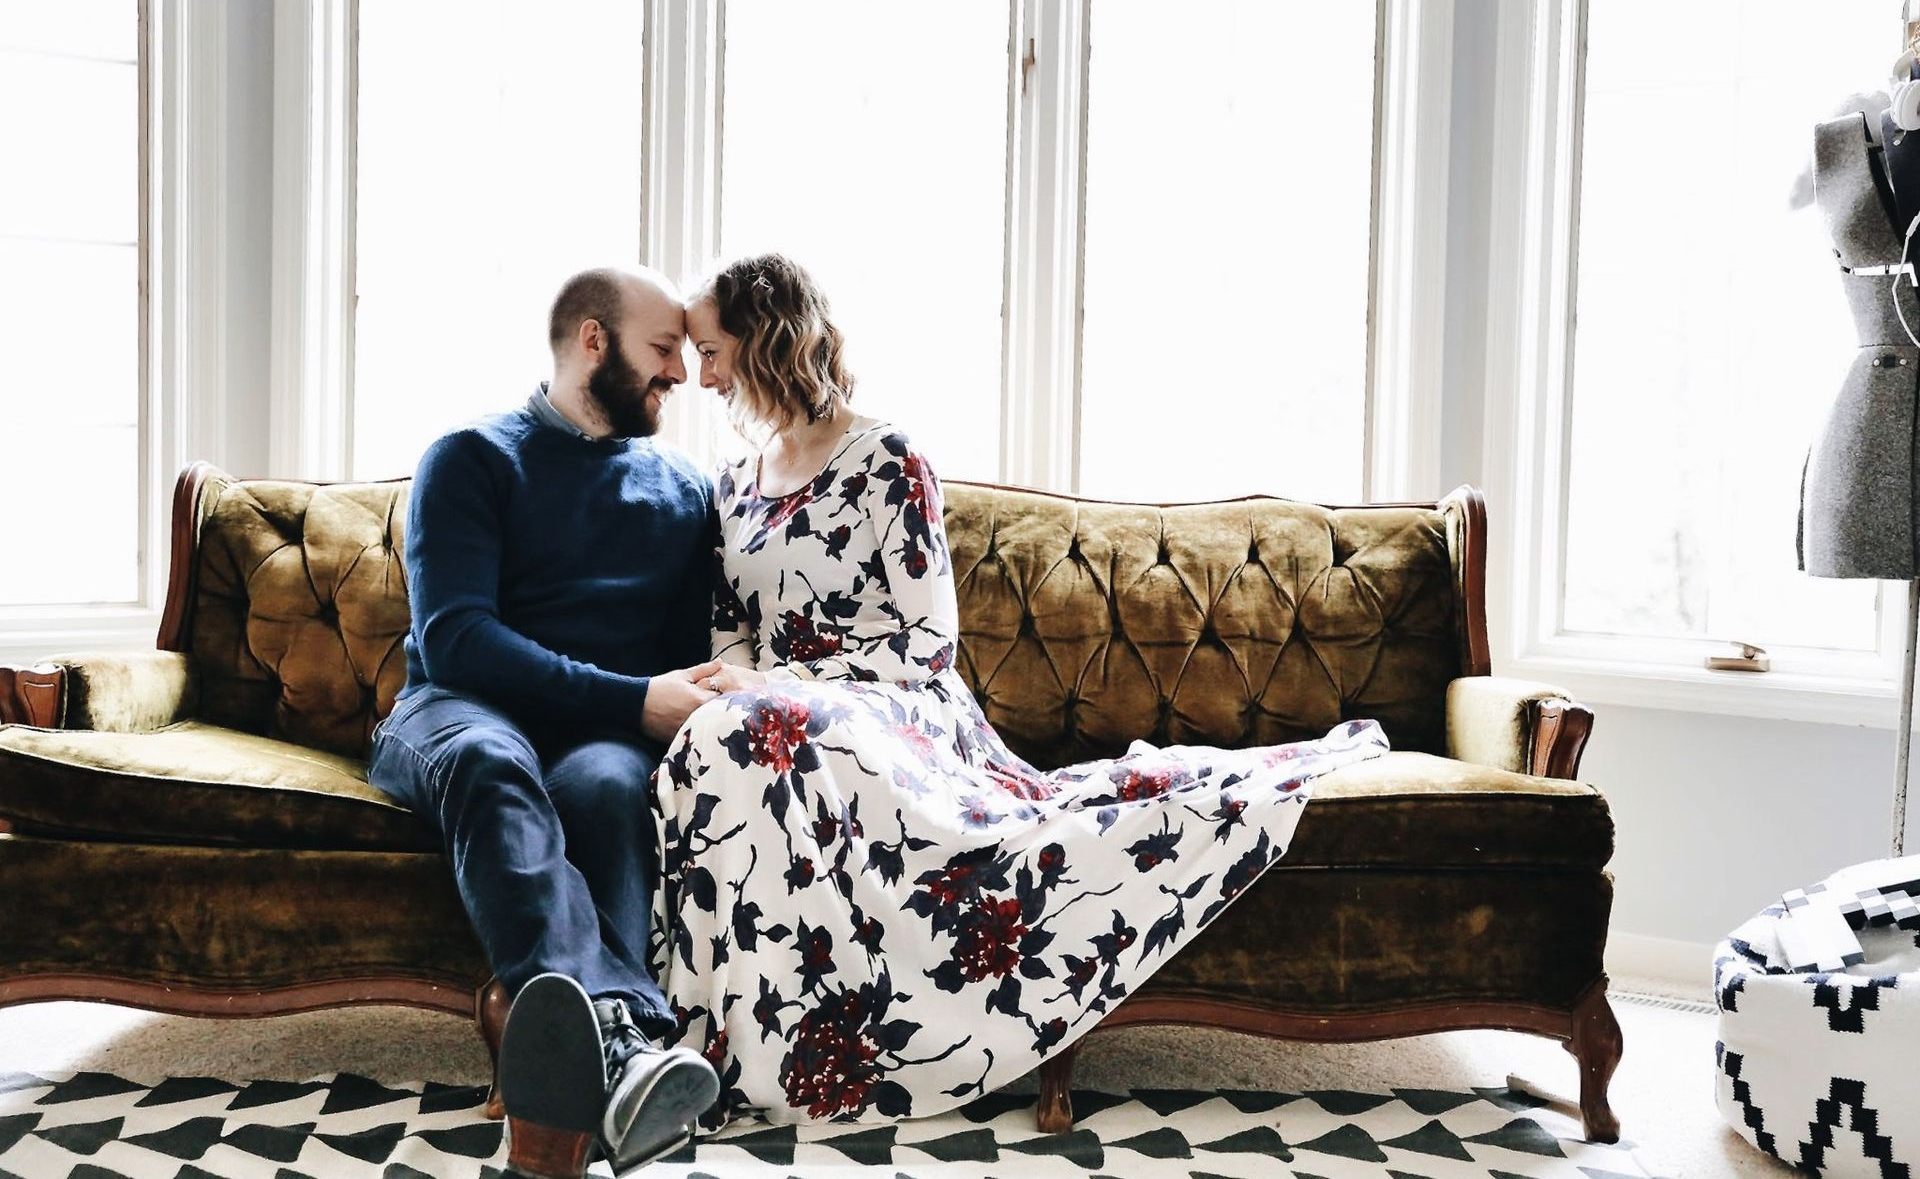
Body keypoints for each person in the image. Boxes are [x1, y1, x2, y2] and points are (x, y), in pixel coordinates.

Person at [660, 252, 1389, 1127]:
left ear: (767, 341)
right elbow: (729, 619)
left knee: (757, 727)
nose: (701, 377)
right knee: (715, 737)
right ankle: (714, 1039)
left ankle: (837, 1041)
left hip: (895, 705)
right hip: (776, 709)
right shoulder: (735, 477)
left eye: (712, 351)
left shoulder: (887, 458)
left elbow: (927, 646)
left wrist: (778, 684)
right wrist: (738, 681)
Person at [368, 266, 722, 1179]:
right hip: (455, 712)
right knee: (492, 762)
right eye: (662, 347)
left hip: (595, 738)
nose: (681, 371)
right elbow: (457, 641)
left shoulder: (687, 490)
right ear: (593, 340)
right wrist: (632, 696)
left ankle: (581, 1095)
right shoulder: (472, 456)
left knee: (609, 788)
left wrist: (679, 697)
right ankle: (629, 1036)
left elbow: (682, 657)